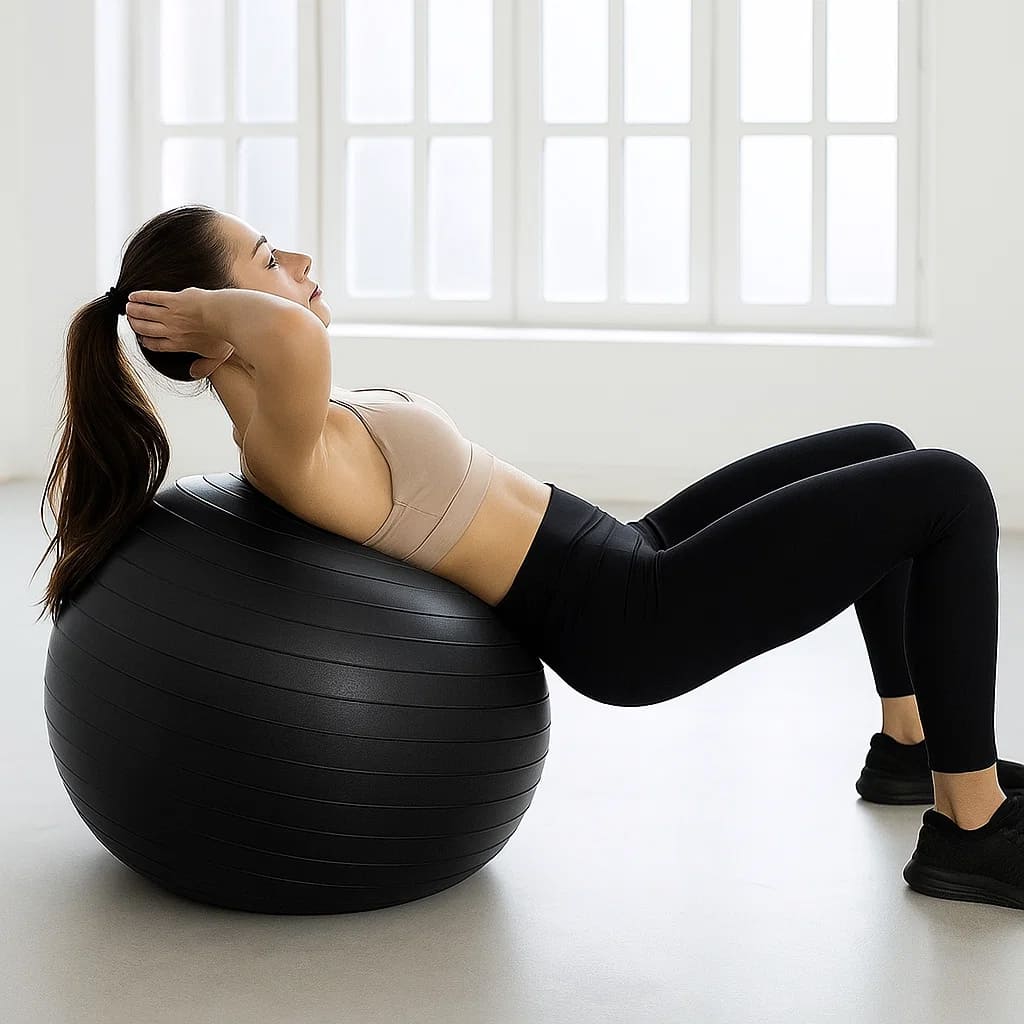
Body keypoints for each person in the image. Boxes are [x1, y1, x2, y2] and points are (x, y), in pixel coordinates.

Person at [34, 203, 1024, 911]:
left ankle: (907, 749)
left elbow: (288, 334)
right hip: (629, 616)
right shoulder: (286, 449)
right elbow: (290, 338)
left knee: (884, 450)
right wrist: (206, 316)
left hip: (629, 548)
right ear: (214, 325)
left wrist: (221, 304)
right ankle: (969, 826)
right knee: (947, 488)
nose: (296, 258)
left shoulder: (311, 426)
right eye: (264, 257)